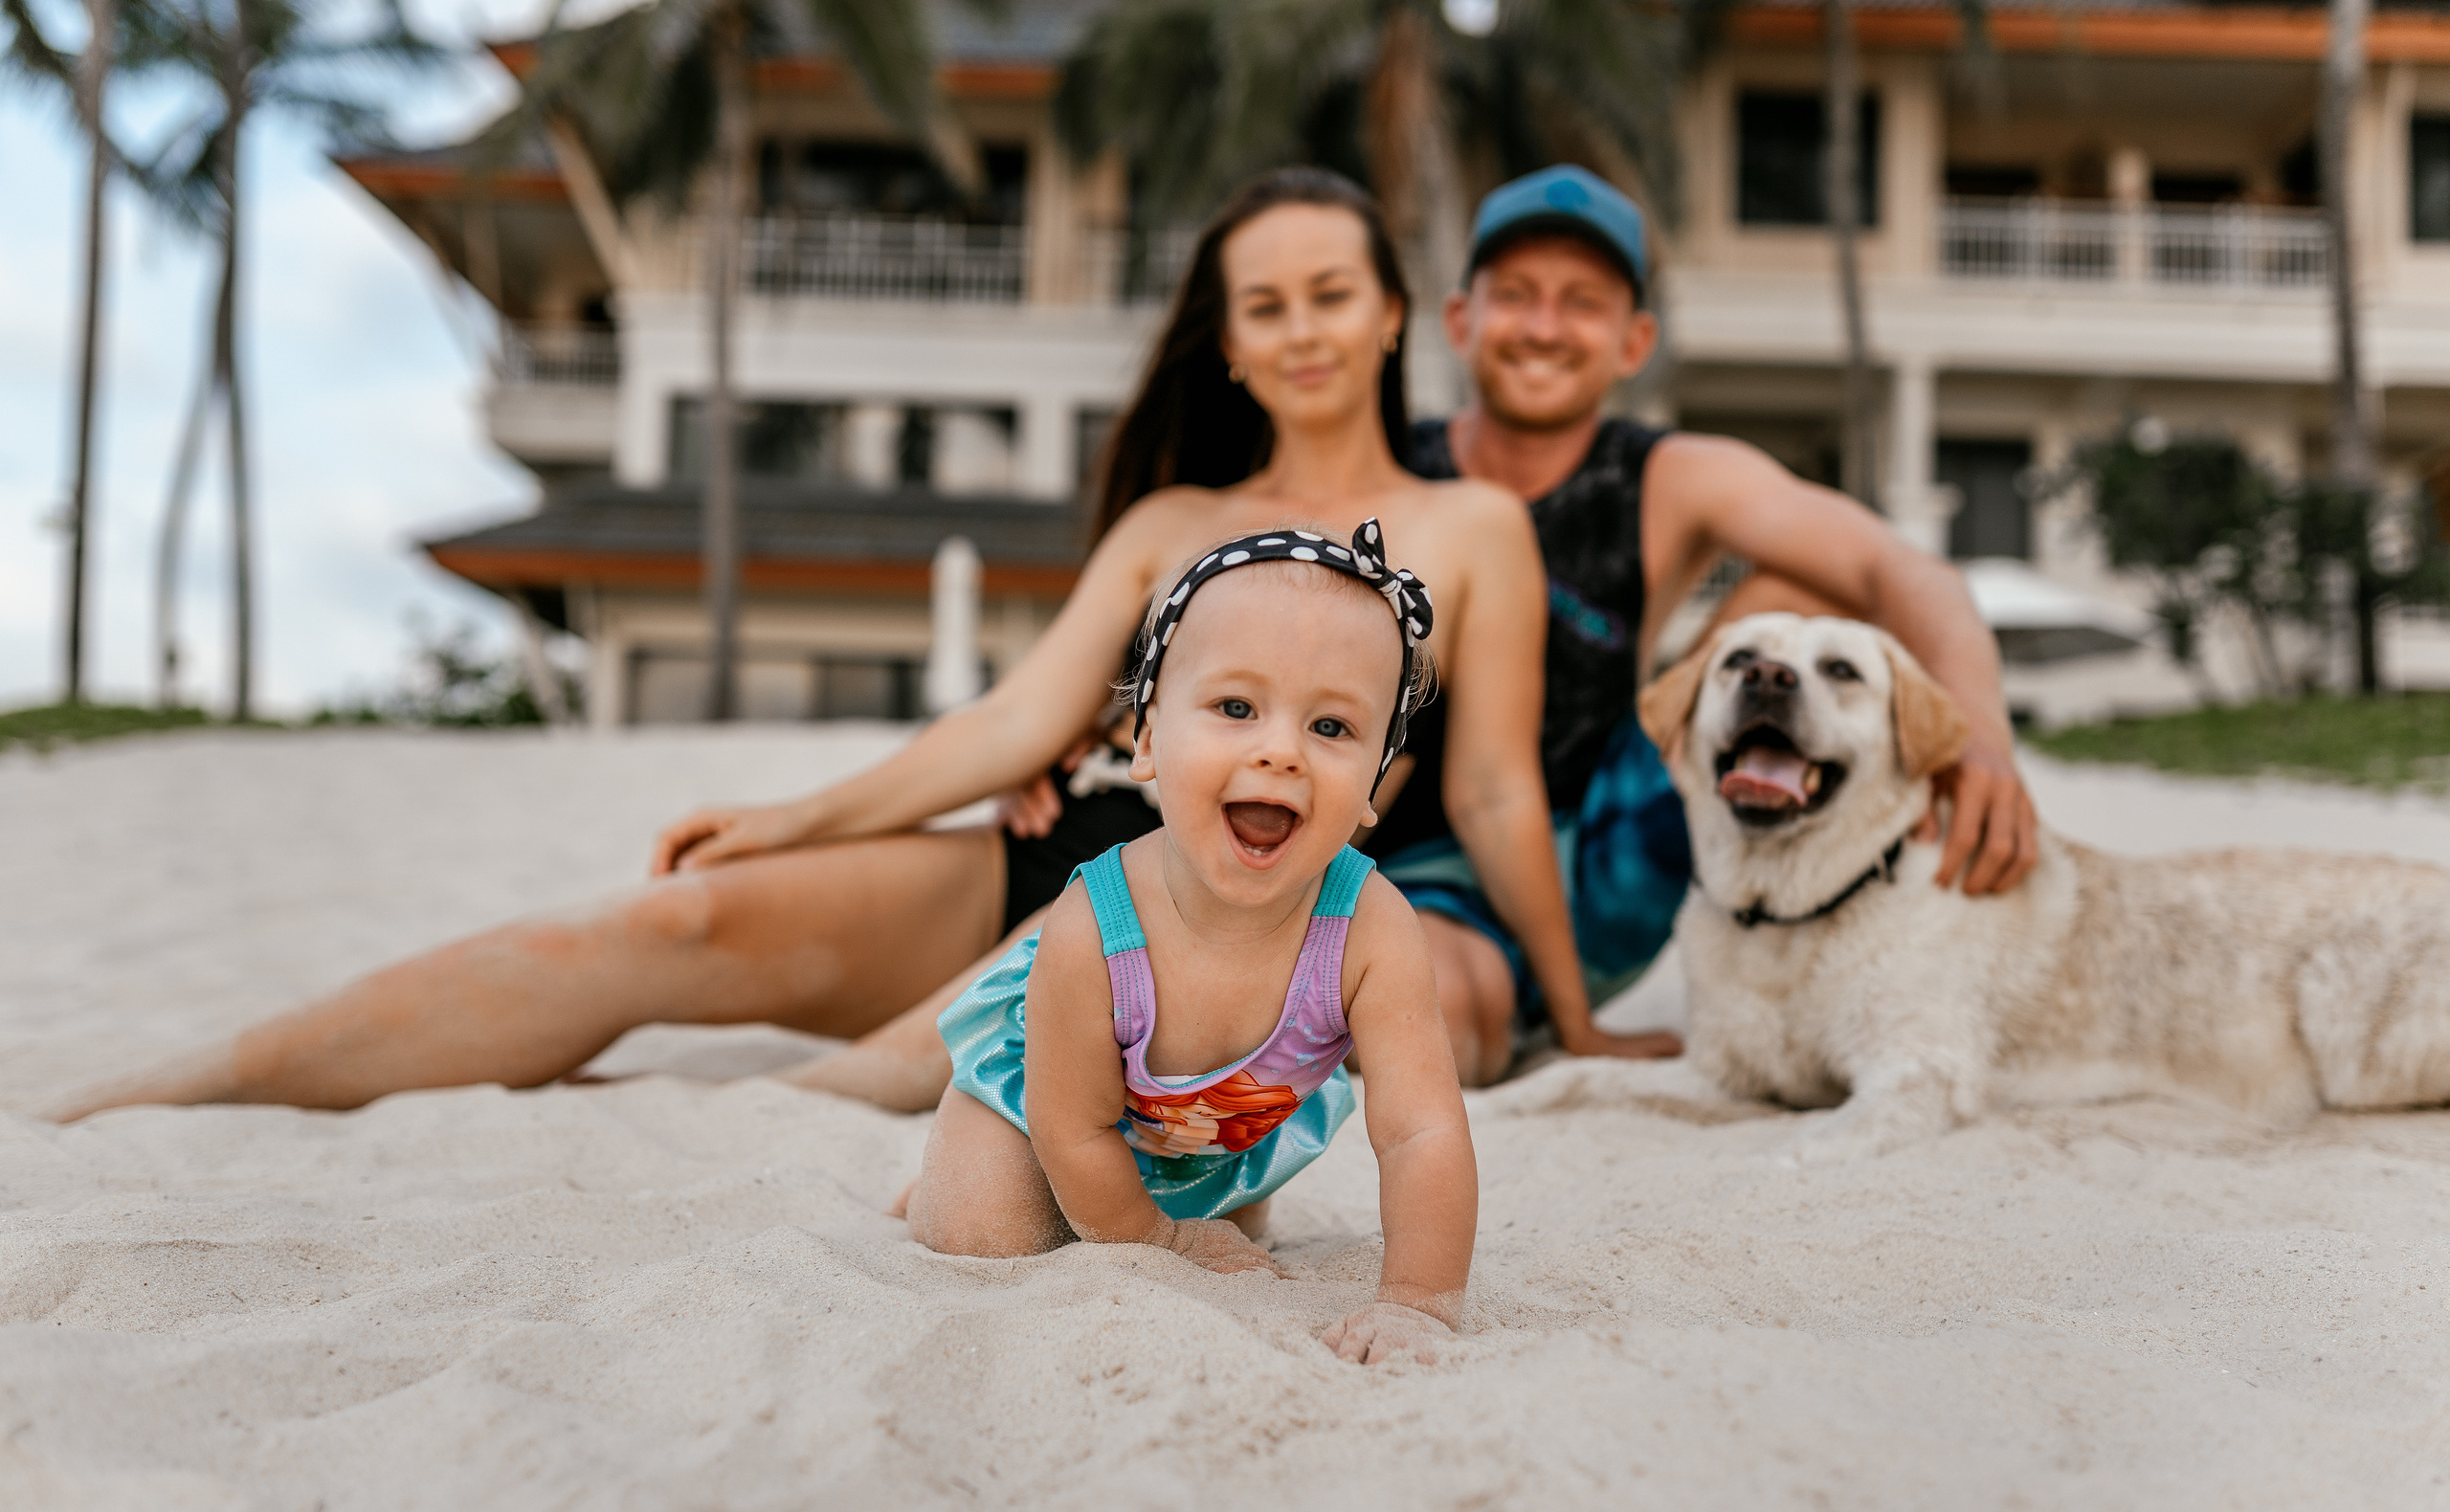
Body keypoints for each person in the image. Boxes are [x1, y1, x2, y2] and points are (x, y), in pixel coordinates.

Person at [55, 166, 1652, 1125]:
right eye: (1267, 305)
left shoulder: (1470, 530)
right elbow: (1015, 723)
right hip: (1070, 845)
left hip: (1242, 901)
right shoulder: (1172, 520)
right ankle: (183, 1088)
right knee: (672, 922)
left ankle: (757, 1115)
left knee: (866, 1080)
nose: (1303, 329)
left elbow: (1493, 790)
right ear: (1228, 342)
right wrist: (795, 817)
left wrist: (1571, 1016)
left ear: (1393, 313)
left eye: (1332, 293)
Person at [1373, 165, 2041, 1080]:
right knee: (1431, 1017)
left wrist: (1980, 737)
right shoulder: (1388, 464)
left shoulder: (1669, 477)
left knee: (1803, 588)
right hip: (1411, 846)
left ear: (1634, 340)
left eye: (1582, 302)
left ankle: (1852, 921)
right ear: (1460, 320)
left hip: (1605, 843)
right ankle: (1457, 975)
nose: (1544, 326)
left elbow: (1902, 571)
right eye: (1516, 295)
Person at [906, 527, 1474, 1366]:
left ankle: (1172, 1208)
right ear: (1146, 740)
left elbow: (1423, 1131)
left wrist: (1419, 1301)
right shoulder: (1093, 924)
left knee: (1229, 1232)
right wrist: (1159, 1241)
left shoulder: (1372, 928)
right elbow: (1074, 1129)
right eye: (1236, 708)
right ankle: (933, 1181)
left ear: (1374, 784)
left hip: (1209, 1140)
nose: (1279, 751)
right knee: (983, 1228)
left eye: (1331, 725)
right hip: (1046, 1109)